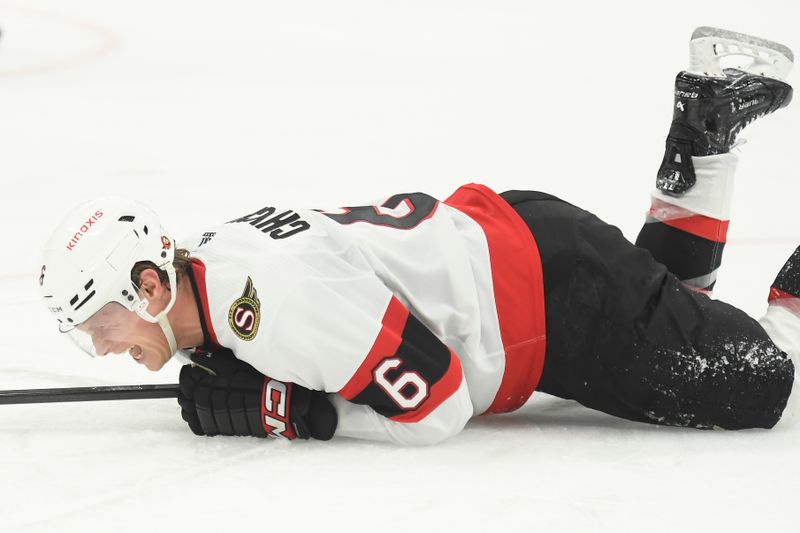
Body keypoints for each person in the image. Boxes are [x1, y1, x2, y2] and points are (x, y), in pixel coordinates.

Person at [39, 27, 800, 445]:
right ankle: (708, 121)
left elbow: (435, 404)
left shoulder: (275, 304)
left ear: (145, 287)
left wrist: (299, 413)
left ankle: (709, 124)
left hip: (554, 305)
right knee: (673, 304)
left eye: (98, 323)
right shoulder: (218, 257)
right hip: (531, 250)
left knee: (767, 379)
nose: (101, 346)